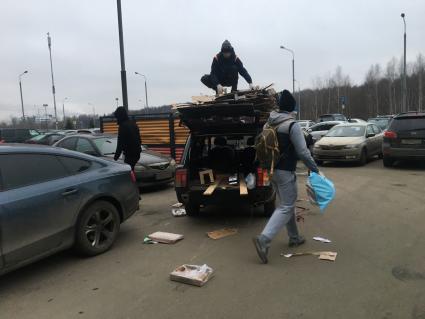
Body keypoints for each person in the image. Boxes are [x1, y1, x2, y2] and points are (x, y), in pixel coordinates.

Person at [252, 90, 320, 264]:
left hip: (270, 170)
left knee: (286, 203)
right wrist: (314, 168)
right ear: (292, 108)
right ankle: (264, 239)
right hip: (285, 171)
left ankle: (294, 237)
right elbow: (303, 152)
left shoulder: (269, 123)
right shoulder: (292, 125)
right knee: (287, 205)